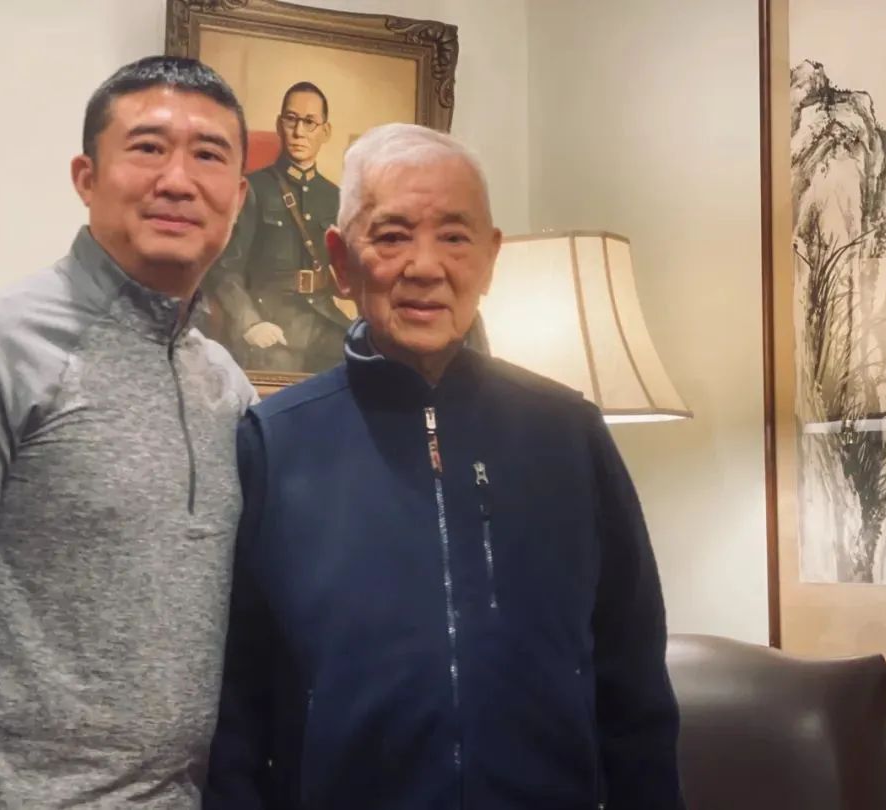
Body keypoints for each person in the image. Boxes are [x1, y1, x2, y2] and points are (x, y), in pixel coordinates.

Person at [205, 123, 683, 809]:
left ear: (490, 259)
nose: (425, 266)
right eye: (392, 235)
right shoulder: (275, 444)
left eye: (455, 237)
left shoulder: (568, 433)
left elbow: (633, 680)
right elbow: (235, 709)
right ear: (341, 261)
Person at [0, 56, 256, 809]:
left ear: (239, 196)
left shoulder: (226, 383)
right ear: (87, 177)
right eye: (148, 147)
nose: (178, 180)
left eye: (209, 155)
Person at [203, 81, 350, 374]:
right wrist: (250, 323)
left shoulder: (334, 197)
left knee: (361, 364)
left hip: (321, 321)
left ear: (325, 131)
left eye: (309, 122)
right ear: (279, 124)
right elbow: (224, 268)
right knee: (278, 368)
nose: (299, 132)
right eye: (291, 119)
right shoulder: (254, 188)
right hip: (270, 322)